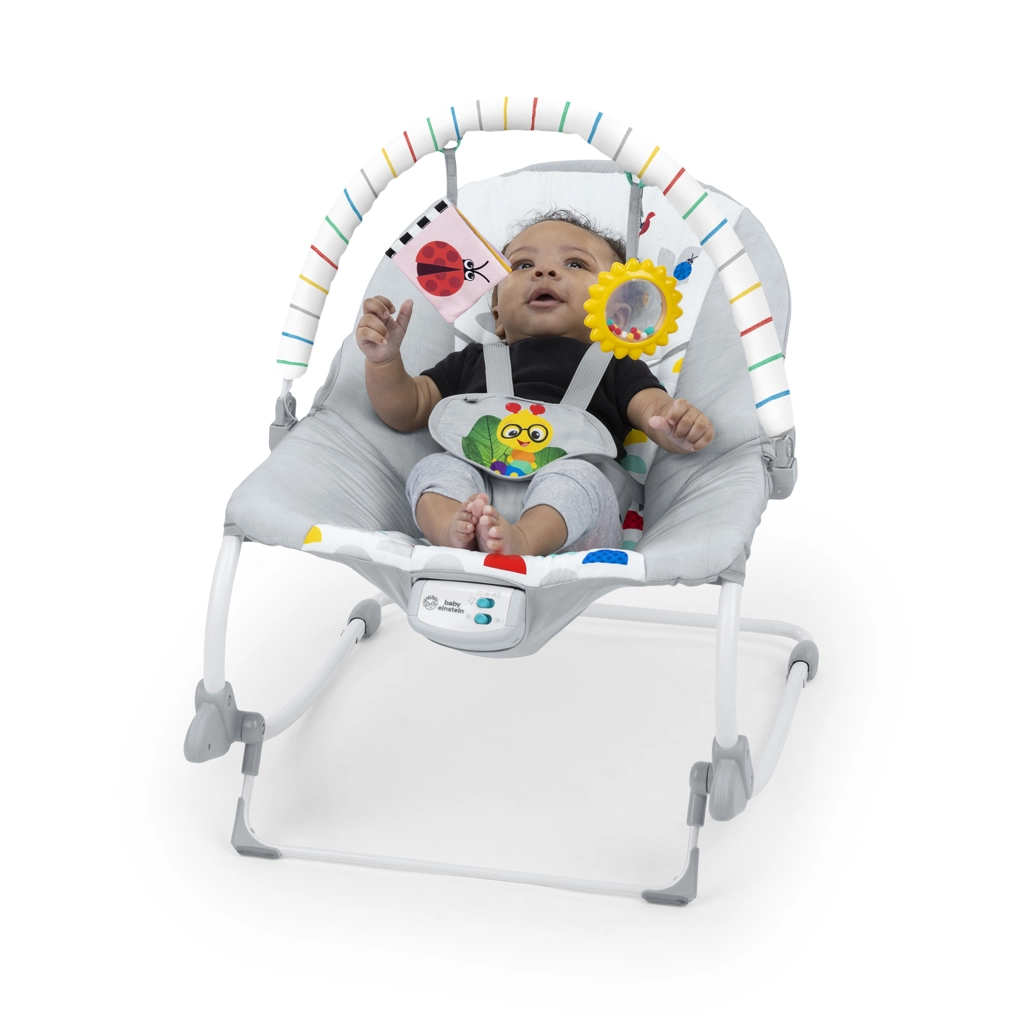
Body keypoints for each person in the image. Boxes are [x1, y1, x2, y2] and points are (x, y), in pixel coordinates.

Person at [357, 211, 714, 557]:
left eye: (575, 264)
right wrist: (385, 361)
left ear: (617, 314)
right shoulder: (472, 360)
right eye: (522, 265)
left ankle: (524, 541)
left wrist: (676, 425)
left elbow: (654, 411)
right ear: (498, 315)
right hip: (478, 495)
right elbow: (407, 410)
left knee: (578, 478)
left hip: (572, 523)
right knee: (433, 469)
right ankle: (454, 532)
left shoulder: (615, 365)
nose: (544, 271)